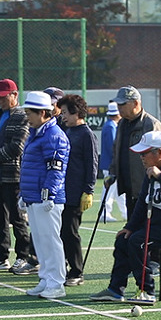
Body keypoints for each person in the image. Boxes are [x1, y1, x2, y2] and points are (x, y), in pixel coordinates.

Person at [90, 131, 161, 302]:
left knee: (137, 241)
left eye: (144, 153)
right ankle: (115, 289)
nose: (141, 157)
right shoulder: (151, 170)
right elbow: (142, 201)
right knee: (124, 239)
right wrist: (130, 227)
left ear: (159, 153)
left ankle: (147, 291)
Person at [0, 79, 37, 273]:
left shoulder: (22, 116)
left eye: (4, 97)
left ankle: (23, 256)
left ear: (14, 95)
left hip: (12, 176)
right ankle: (1, 256)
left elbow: (17, 147)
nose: (1, 101)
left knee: (17, 218)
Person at [18, 91, 70, 299]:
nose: (26, 116)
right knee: (40, 241)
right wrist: (26, 194)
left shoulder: (54, 135)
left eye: (29, 112)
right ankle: (46, 278)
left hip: (47, 198)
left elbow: (56, 169)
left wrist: (49, 194)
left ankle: (57, 283)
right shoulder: (37, 133)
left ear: (42, 113)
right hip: (35, 196)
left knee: (50, 241)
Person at [58, 94, 98, 287]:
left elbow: (92, 165)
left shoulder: (86, 134)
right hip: (61, 191)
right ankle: (62, 268)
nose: (62, 116)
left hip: (76, 193)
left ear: (75, 112)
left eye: (65, 112)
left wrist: (88, 190)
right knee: (61, 232)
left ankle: (77, 272)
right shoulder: (65, 131)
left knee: (70, 232)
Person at [106, 85, 161, 218]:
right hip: (128, 186)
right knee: (132, 228)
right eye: (118, 104)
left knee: (146, 229)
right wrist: (113, 172)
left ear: (136, 103)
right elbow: (117, 149)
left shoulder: (151, 124)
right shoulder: (122, 124)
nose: (119, 107)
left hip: (146, 188)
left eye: (123, 104)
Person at [100, 102, 127, 222]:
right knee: (109, 191)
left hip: (111, 163)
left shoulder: (110, 125)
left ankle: (125, 212)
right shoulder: (111, 127)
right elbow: (113, 147)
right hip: (110, 164)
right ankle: (104, 213)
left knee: (118, 191)